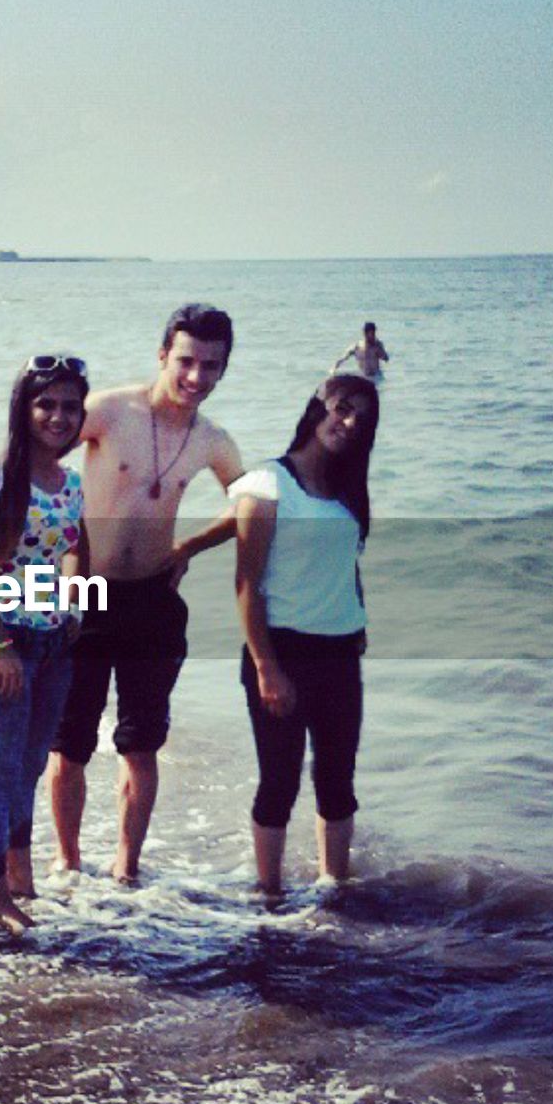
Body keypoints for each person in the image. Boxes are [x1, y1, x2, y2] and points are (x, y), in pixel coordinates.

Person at [46, 304, 244, 884]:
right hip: (84, 595)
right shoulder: (107, 410)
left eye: (211, 366)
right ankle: (67, 860)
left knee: (141, 743)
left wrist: (189, 547)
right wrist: (63, 550)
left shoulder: (213, 440)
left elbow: (249, 501)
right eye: (186, 361)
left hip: (153, 601)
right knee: (71, 741)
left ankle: (127, 870)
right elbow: (37, 462)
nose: (196, 378)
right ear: (163, 356)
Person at [230, 374, 380, 898]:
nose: (349, 422)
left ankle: (333, 889)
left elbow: (346, 563)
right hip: (281, 651)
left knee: (338, 781)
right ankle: (269, 894)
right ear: (317, 409)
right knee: (280, 782)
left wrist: (358, 621)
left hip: (340, 654)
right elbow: (247, 585)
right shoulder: (269, 483)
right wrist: (267, 668)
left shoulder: (348, 490)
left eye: (361, 417)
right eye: (342, 408)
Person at [0, 356, 90, 932]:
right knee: (1, 775)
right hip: (2, 644)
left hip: (55, 641)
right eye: (46, 404)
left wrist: (77, 598)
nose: (59, 416)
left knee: (32, 767)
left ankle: (20, 877)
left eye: (69, 406)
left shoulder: (72, 482)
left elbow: (75, 544)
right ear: (24, 409)